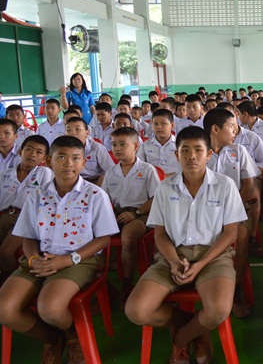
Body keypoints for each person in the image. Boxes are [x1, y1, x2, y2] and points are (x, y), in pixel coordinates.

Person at [125, 126, 246, 364]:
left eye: (198, 150)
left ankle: (181, 339)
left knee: (219, 310)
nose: (192, 156)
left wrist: (200, 264)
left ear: (209, 154)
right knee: (136, 310)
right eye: (185, 150)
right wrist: (173, 261)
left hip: (213, 256)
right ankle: (197, 329)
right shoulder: (165, 187)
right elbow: (160, 234)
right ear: (176, 154)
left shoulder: (225, 185)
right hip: (173, 255)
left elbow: (231, 233)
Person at [0, 135, 119, 364]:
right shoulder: (37, 194)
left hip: (79, 260)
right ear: (48, 161)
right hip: (40, 257)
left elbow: (104, 238)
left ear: (83, 163)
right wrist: (33, 259)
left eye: (76, 158)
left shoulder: (95, 195)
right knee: (5, 309)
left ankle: (74, 337)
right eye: (61, 157)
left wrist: (67, 260)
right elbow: (28, 236)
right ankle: (53, 339)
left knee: (50, 308)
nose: (68, 164)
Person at [203, 108, 260, 318]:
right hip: (205, 211)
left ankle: (235, 291)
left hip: (234, 209)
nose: (235, 131)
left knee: (241, 235)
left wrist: (234, 209)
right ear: (215, 129)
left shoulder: (238, 151)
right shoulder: (200, 152)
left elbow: (248, 183)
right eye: (231, 127)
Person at [102, 127, 160, 308]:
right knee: (92, 238)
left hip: (141, 214)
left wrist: (136, 213)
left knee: (128, 237)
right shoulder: (111, 172)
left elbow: (156, 198)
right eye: (114, 145)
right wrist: (111, 215)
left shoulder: (147, 169)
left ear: (135, 146)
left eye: (122, 144)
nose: (117, 149)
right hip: (117, 214)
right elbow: (103, 199)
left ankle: (127, 283)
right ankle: (105, 286)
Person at [0, 135, 54, 283]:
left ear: (44, 158)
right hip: (3, 216)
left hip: (25, 219)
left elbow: (46, 201)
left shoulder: (44, 173)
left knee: (5, 251)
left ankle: (8, 281)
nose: (33, 154)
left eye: (39, 152)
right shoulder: (5, 175)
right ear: (20, 151)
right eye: (29, 149)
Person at [65, 117, 115, 185]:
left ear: (87, 133)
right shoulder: (63, 149)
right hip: (74, 181)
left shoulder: (97, 148)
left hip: (96, 181)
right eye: (68, 130)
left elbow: (111, 170)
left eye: (77, 129)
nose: (73, 133)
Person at [137, 109, 181, 178]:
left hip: (176, 180)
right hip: (151, 180)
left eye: (163, 123)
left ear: (172, 125)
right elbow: (138, 166)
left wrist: (166, 177)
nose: (159, 127)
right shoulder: (145, 145)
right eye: (155, 124)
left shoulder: (180, 145)